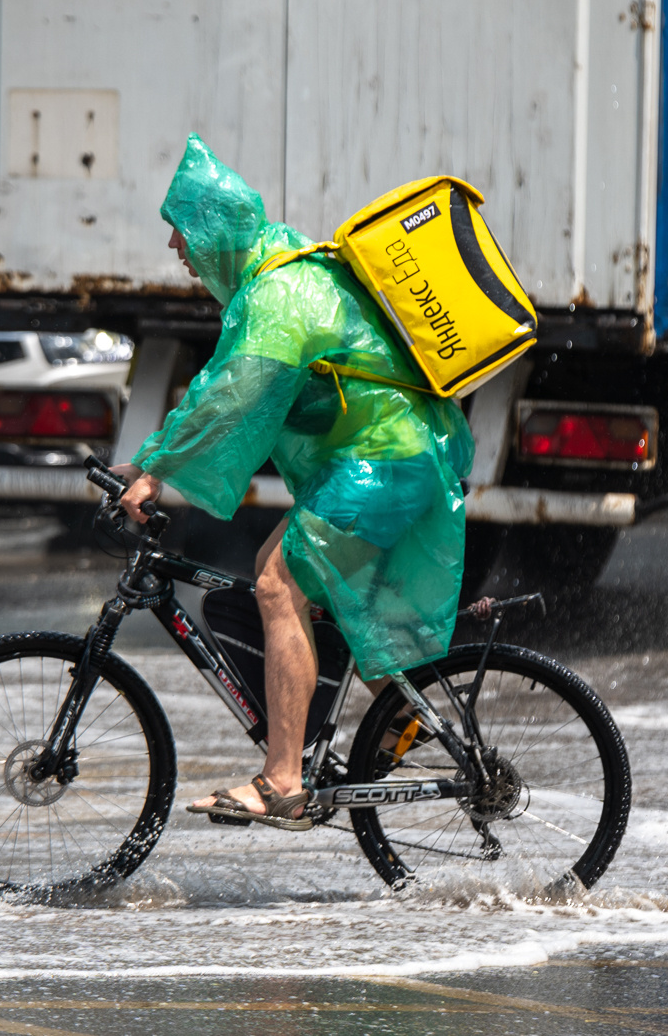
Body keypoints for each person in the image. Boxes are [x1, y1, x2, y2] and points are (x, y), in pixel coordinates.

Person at [115, 135, 475, 829]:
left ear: (213, 233)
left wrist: (154, 471)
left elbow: (230, 397)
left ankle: (284, 780)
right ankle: (410, 722)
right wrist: (153, 456)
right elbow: (224, 384)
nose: (174, 248)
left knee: (279, 580)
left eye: (180, 232)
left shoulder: (279, 294)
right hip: (387, 458)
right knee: (317, 593)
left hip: (386, 462)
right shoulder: (277, 268)